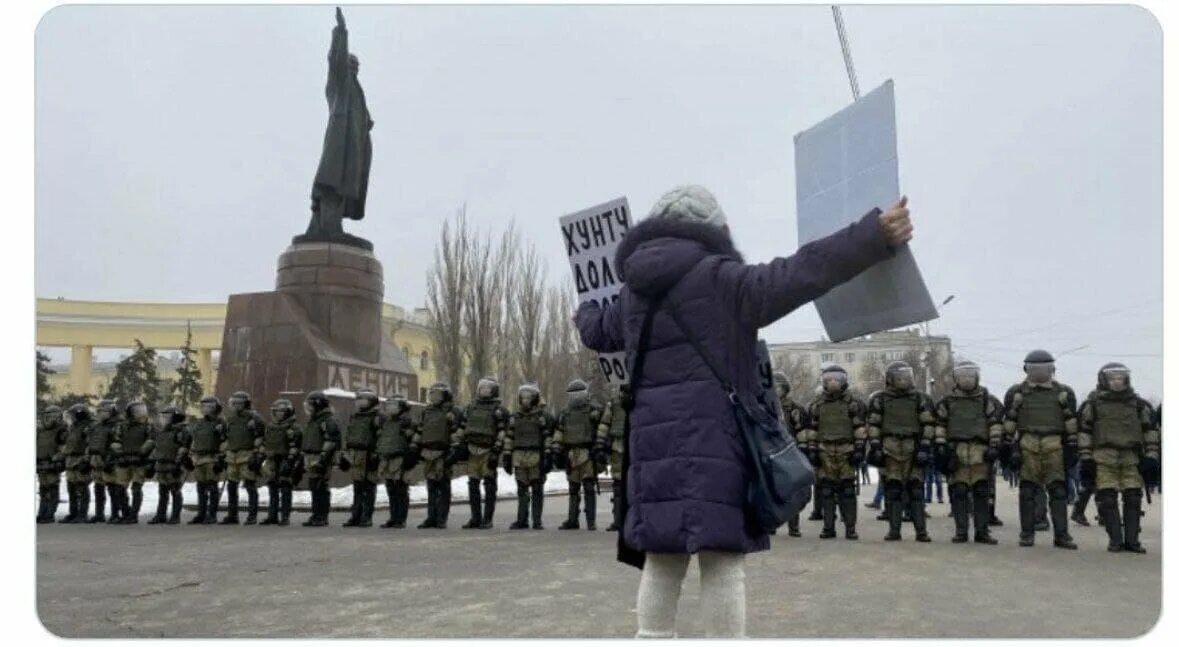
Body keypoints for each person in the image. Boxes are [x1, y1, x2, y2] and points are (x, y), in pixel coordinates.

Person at [575, 184, 912, 638]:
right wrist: (873, 235)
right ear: (713, 230)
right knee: (721, 562)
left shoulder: (632, 295)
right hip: (718, 442)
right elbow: (806, 270)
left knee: (661, 561)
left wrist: (584, 311)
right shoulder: (723, 279)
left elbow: (598, 331)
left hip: (652, 447)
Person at [1077, 363, 1159, 553]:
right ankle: (1115, 540)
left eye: (1120, 377)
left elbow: (1150, 431)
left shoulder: (1138, 404)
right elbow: (1085, 432)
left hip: (1131, 455)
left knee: (1133, 496)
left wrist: (1152, 457)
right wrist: (1086, 458)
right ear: (1103, 380)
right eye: (1112, 377)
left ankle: (1132, 541)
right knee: (1107, 497)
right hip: (1103, 455)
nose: (1116, 381)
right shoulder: (1093, 404)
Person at [1003, 349, 1079, 549]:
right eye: (1034, 368)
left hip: (1054, 445)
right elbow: (1009, 421)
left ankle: (1062, 535)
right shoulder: (1016, 393)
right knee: (1027, 490)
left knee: (1058, 491)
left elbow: (1071, 421)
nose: (1039, 372)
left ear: (1052, 369)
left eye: (1043, 367)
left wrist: (1072, 447)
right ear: (1026, 369)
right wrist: (1007, 448)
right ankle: (1027, 533)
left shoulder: (1063, 393)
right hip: (1028, 444)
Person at [933, 361, 1003, 544]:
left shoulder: (987, 400)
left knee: (981, 491)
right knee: (959, 491)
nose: (967, 379)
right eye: (963, 376)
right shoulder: (947, 401)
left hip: (980, 451)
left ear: (977, 377)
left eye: (970, 375)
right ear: (956, 378)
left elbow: (995, 424)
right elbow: (940, 425)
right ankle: (961, 531)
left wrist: (995, 446)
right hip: (957, 451)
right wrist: (941, 448)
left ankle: (982, 531)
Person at [867, 361, 937, 542]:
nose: (904, 380)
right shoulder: (880, 399)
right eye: (899, 377)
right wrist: (875, 446)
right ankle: (894, 531)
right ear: (890, 379)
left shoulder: (920, 398)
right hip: (890, 448)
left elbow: (928, 424)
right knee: (893, 490)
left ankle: (921, 532)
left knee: (916, 491)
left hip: (913, 447)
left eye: (907, 376)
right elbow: (873, 424)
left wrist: (925, 447)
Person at [801, 364, 866, 540]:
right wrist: (812, 450)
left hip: (847, 450)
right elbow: (812, 429)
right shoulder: (817, 404)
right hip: (824, 451)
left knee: (847, 490)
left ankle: (850, 528)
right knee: (827, 490)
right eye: (829, 378)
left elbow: (860, 427)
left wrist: (860, 448)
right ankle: (828, 527)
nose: (832, 382)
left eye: (836, 378)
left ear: (844, 380)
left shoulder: (854, 403)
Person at [455, 377, 509, 529]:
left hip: (488, 450)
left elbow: (502, 432)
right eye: (482, 387)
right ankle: (475, 517)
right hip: (472, 449)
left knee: (489, 485)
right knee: (473, 484)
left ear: (494, 391)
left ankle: (487, 519)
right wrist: (458, 445)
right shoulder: (470, 408)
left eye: (488, 388)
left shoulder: (499, 410)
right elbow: (462, 427)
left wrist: (497, 450)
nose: (484, 390)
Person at [552, 379, 605, 531]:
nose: (576, 397)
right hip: (571, 454)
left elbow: (602, 427)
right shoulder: (565, 414)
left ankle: (591, 521)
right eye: (573, 395)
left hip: (588, 454)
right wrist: (556, 450)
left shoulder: (593, 411)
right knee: (573, 488)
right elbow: (559, 433)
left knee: (589, 487)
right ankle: (572, 519)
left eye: (579, 394)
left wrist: (599, 448)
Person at [504, 383, 555, 530]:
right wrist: (507, 456)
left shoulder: (541, 417)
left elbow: (547, 437)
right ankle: (522, 520)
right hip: (519, 456)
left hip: (535, 456)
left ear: (534, 399)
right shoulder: (515, 417)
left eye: (529, 397)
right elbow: (509, 437)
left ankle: (537, 520)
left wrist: (547, 454)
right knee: (522, 489)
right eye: (523, 397)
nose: (525, 400)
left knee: (537, 488)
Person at [414, 382, 461, 529]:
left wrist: (454, 452)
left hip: (443, 453)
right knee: (431, 487)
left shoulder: (452, 412)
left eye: (437, 394)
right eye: (432, 394)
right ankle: (431, 517)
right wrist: (415, 447)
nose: (433, 397)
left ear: (445, 396)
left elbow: (456, 433)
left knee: (443, 486)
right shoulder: (426, 412)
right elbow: (420, 430)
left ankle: (442, 518)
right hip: (428, 452)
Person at [218, 391, 266, 525]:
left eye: (238, 403)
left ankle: (252, 515)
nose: (235, 406)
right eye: (234, 403)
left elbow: (261, 436)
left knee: (250, 485)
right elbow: (226, 437)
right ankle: (232, 515)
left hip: (247, 455)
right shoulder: (230, 419)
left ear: (246, 404)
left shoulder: (254, 418)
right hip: (232, 455)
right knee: (232, 486)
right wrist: (223, 453)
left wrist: (258, 454)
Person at [773, 371, 809, 537]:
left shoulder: (795, 408)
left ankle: (794, 527)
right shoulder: (762, 407)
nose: (775, 390)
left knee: (793, 490)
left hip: (790, 452)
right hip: (770, 453)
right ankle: (771, 524)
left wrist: (803, 451)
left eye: (778, 387)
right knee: (771, 490)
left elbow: (802, 431)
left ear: (785, 389)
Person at [341, 390, 381, 528]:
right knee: (357, 487)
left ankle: (366, 517)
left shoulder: (377, 417)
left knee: (369, 487)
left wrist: (377, 455)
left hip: (369, 454)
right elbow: (349, 435)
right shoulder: (355, 417)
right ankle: (355, 515)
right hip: (356, 454)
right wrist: (345, 454)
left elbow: (381, 438)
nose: (360, 404)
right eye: (358, 401)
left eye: (363, 402)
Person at [376, 395, 417, 529]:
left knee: (401, 489)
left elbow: (413, 440)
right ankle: (393, 518)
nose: (390, 408)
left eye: (394, 405)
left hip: (400, 458)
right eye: (388, 405)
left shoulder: (407, 422)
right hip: (387, 458)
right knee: (391, 489)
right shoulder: (387, 422)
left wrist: (411, 457)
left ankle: (401, 519)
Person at [259, 398, 303, 526]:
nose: (279, 414)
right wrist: (260, 456)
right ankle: (272, 515)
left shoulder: (293, 427)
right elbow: (265, 442)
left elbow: (295, 446)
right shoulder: (270, 427)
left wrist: (290, 461)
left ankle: (285, 516)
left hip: (285, 458)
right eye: (277, 411)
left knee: (285, 487)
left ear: (288, 412)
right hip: (272, 459)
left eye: (282, 411)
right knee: (272, 486)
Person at [110, 400, 154, 524]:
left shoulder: (147, 427)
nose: (141, 414)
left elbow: (151, 441)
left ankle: (133, 515)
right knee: (120, 488)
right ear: (130, 413)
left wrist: (142, 454)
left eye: (142, 411)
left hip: (139, 462)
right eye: (138, 412)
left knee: (136, 488)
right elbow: (115, 441)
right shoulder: (121, 426)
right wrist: (119, 454)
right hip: (124, 460)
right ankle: (125, 512)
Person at [301, 390, 341, 527]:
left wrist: (323, 459)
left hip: (321, 457)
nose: (308, 409)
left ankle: (322, 516)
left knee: (321, 486)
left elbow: (332, 440)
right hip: (311, 456)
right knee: (314, 486)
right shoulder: (314, 420)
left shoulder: (327, 420)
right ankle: (315, 514)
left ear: (318, 405)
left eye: (310, 406)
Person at [147, 405, 190, 525]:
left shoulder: (181, 431)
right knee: (162, 491)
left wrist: (179, 463)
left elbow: (183, 448)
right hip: (161, 464)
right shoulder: (163, 432)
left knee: (175, 490)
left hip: (174, 464)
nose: (165, 419)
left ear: (175, 417)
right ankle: (161, 514)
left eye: (167, 416)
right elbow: (157, 449)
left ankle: (175, 516)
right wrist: (152, 463)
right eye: (163, 416)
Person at [187, 396, 228, 524]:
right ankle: (201, 513)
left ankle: (212, 514)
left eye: (208, 406)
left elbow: (225, 440)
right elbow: (194, 440)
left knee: (212, 486)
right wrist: (189, 455)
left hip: (212, 457)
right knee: (200, 487)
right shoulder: (199, 423)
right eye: (203, 406)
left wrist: (221, 458)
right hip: (199, 457)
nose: (205, 409)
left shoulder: (221, 423)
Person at [597, 384, 630, 532]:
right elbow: (604, 425)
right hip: (624, 446)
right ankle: (621, 521)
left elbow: (604, 426)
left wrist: (600, 444)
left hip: (623, 447)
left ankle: (620, 520)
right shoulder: (615, 403)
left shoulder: (614, 403)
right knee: (620, 486)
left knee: (620, 486)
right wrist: (600, 445)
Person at [87, 399, 121, 523]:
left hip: (109, 460)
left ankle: (115, 514)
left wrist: (111, 461)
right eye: (99, 411)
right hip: (97, 460)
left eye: (104, 411)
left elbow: (118, 445)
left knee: (113, 488)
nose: (101, 414)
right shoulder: (97, 426)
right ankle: (99, 514)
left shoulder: (117, 425)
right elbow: (91, 442)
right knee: (98, 487)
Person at [60, 403, 93, 523]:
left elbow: (90, 445)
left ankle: (82, 514)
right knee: (71, 488)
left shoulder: (87, 427)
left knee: (82, 487)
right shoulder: (73, 428)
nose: (71, 418)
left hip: (80, 459)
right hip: (70, 460)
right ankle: (73, 513)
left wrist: (86, 460)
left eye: (73, 415)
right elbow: (68, 444)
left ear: (80, 415)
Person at [36, 405, 66, 524]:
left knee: (52, 488)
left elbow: (63, 448)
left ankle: (50, 514)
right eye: (49, 416)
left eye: (55, 416)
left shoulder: (61, 430)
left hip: (52, 463)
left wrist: (58, 460)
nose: (51, 419)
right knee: (43, 490)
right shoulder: (41, 431)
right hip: (41, 462)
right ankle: (42, 513)